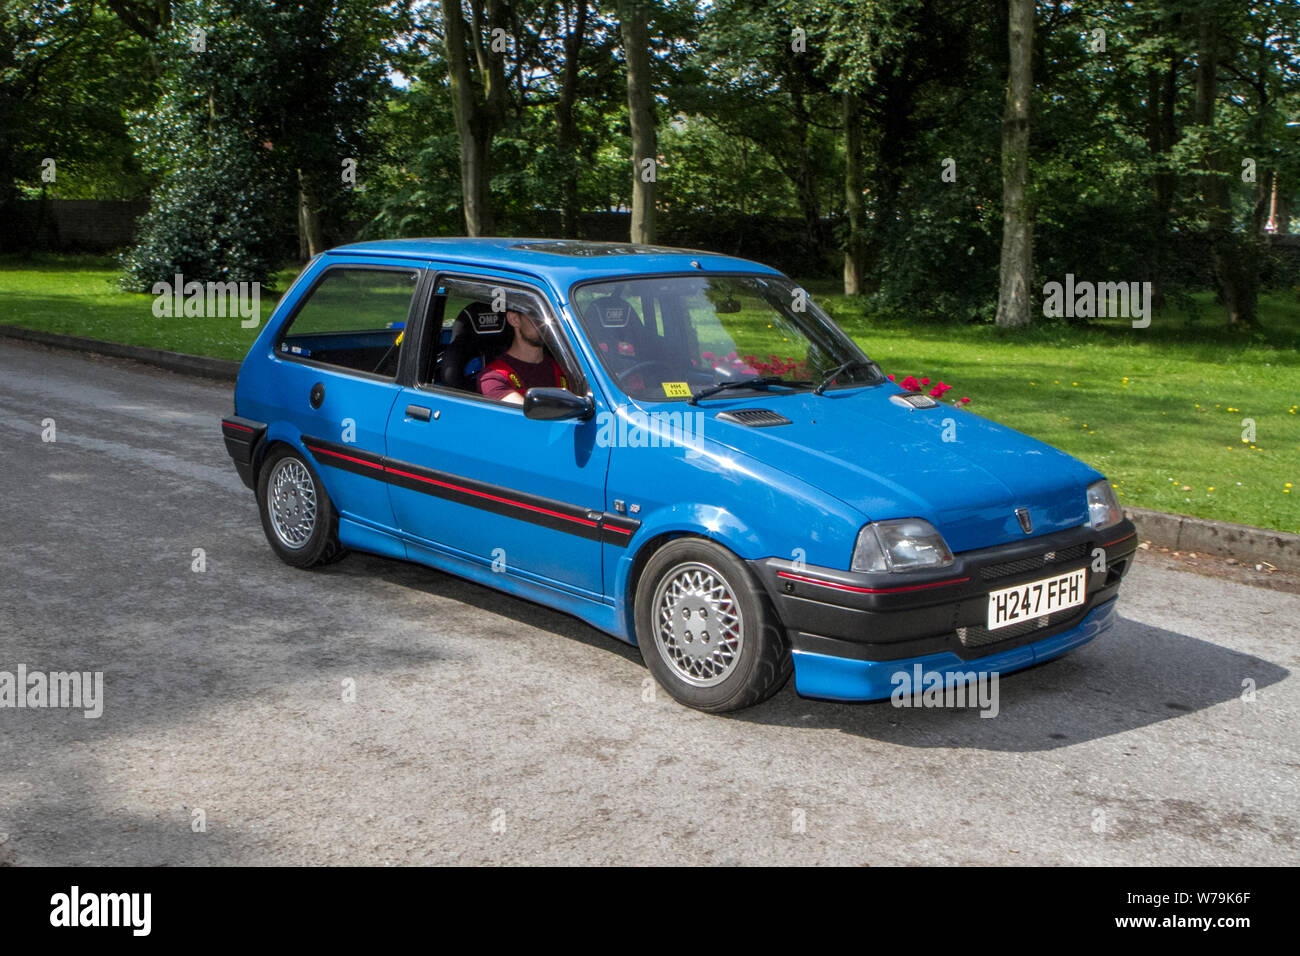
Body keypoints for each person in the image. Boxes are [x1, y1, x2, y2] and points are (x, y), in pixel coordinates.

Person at [478, 306, 569, 405]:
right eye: (537, 316)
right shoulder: (493, 378)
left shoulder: (567, 366)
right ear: (514, 319)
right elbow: (529, 418)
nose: (546, 323)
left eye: (550, 316)